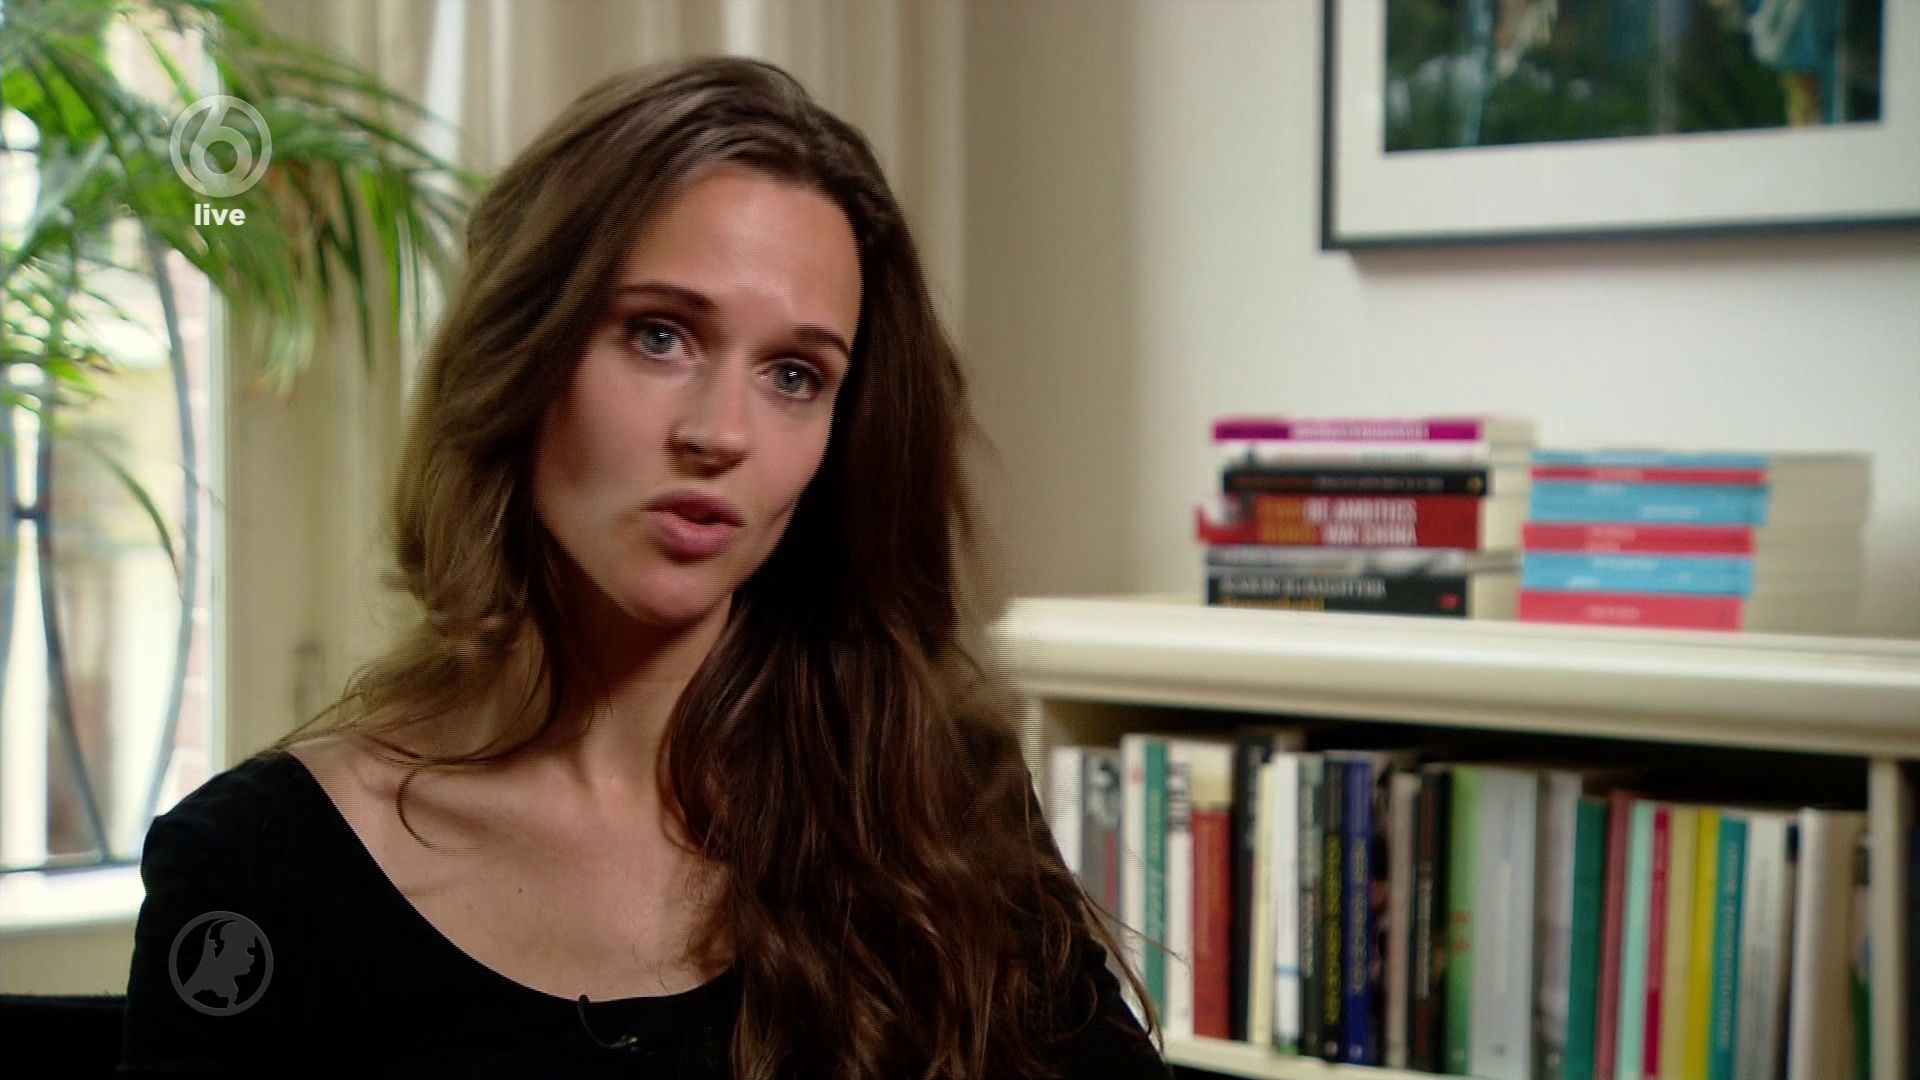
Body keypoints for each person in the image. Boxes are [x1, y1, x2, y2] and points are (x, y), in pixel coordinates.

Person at [118, 55, 1170, 1079]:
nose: (721, 434)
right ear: (524, 349)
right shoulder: (257, 864)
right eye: (660, 336)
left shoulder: (936, 798)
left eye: (795, 376)